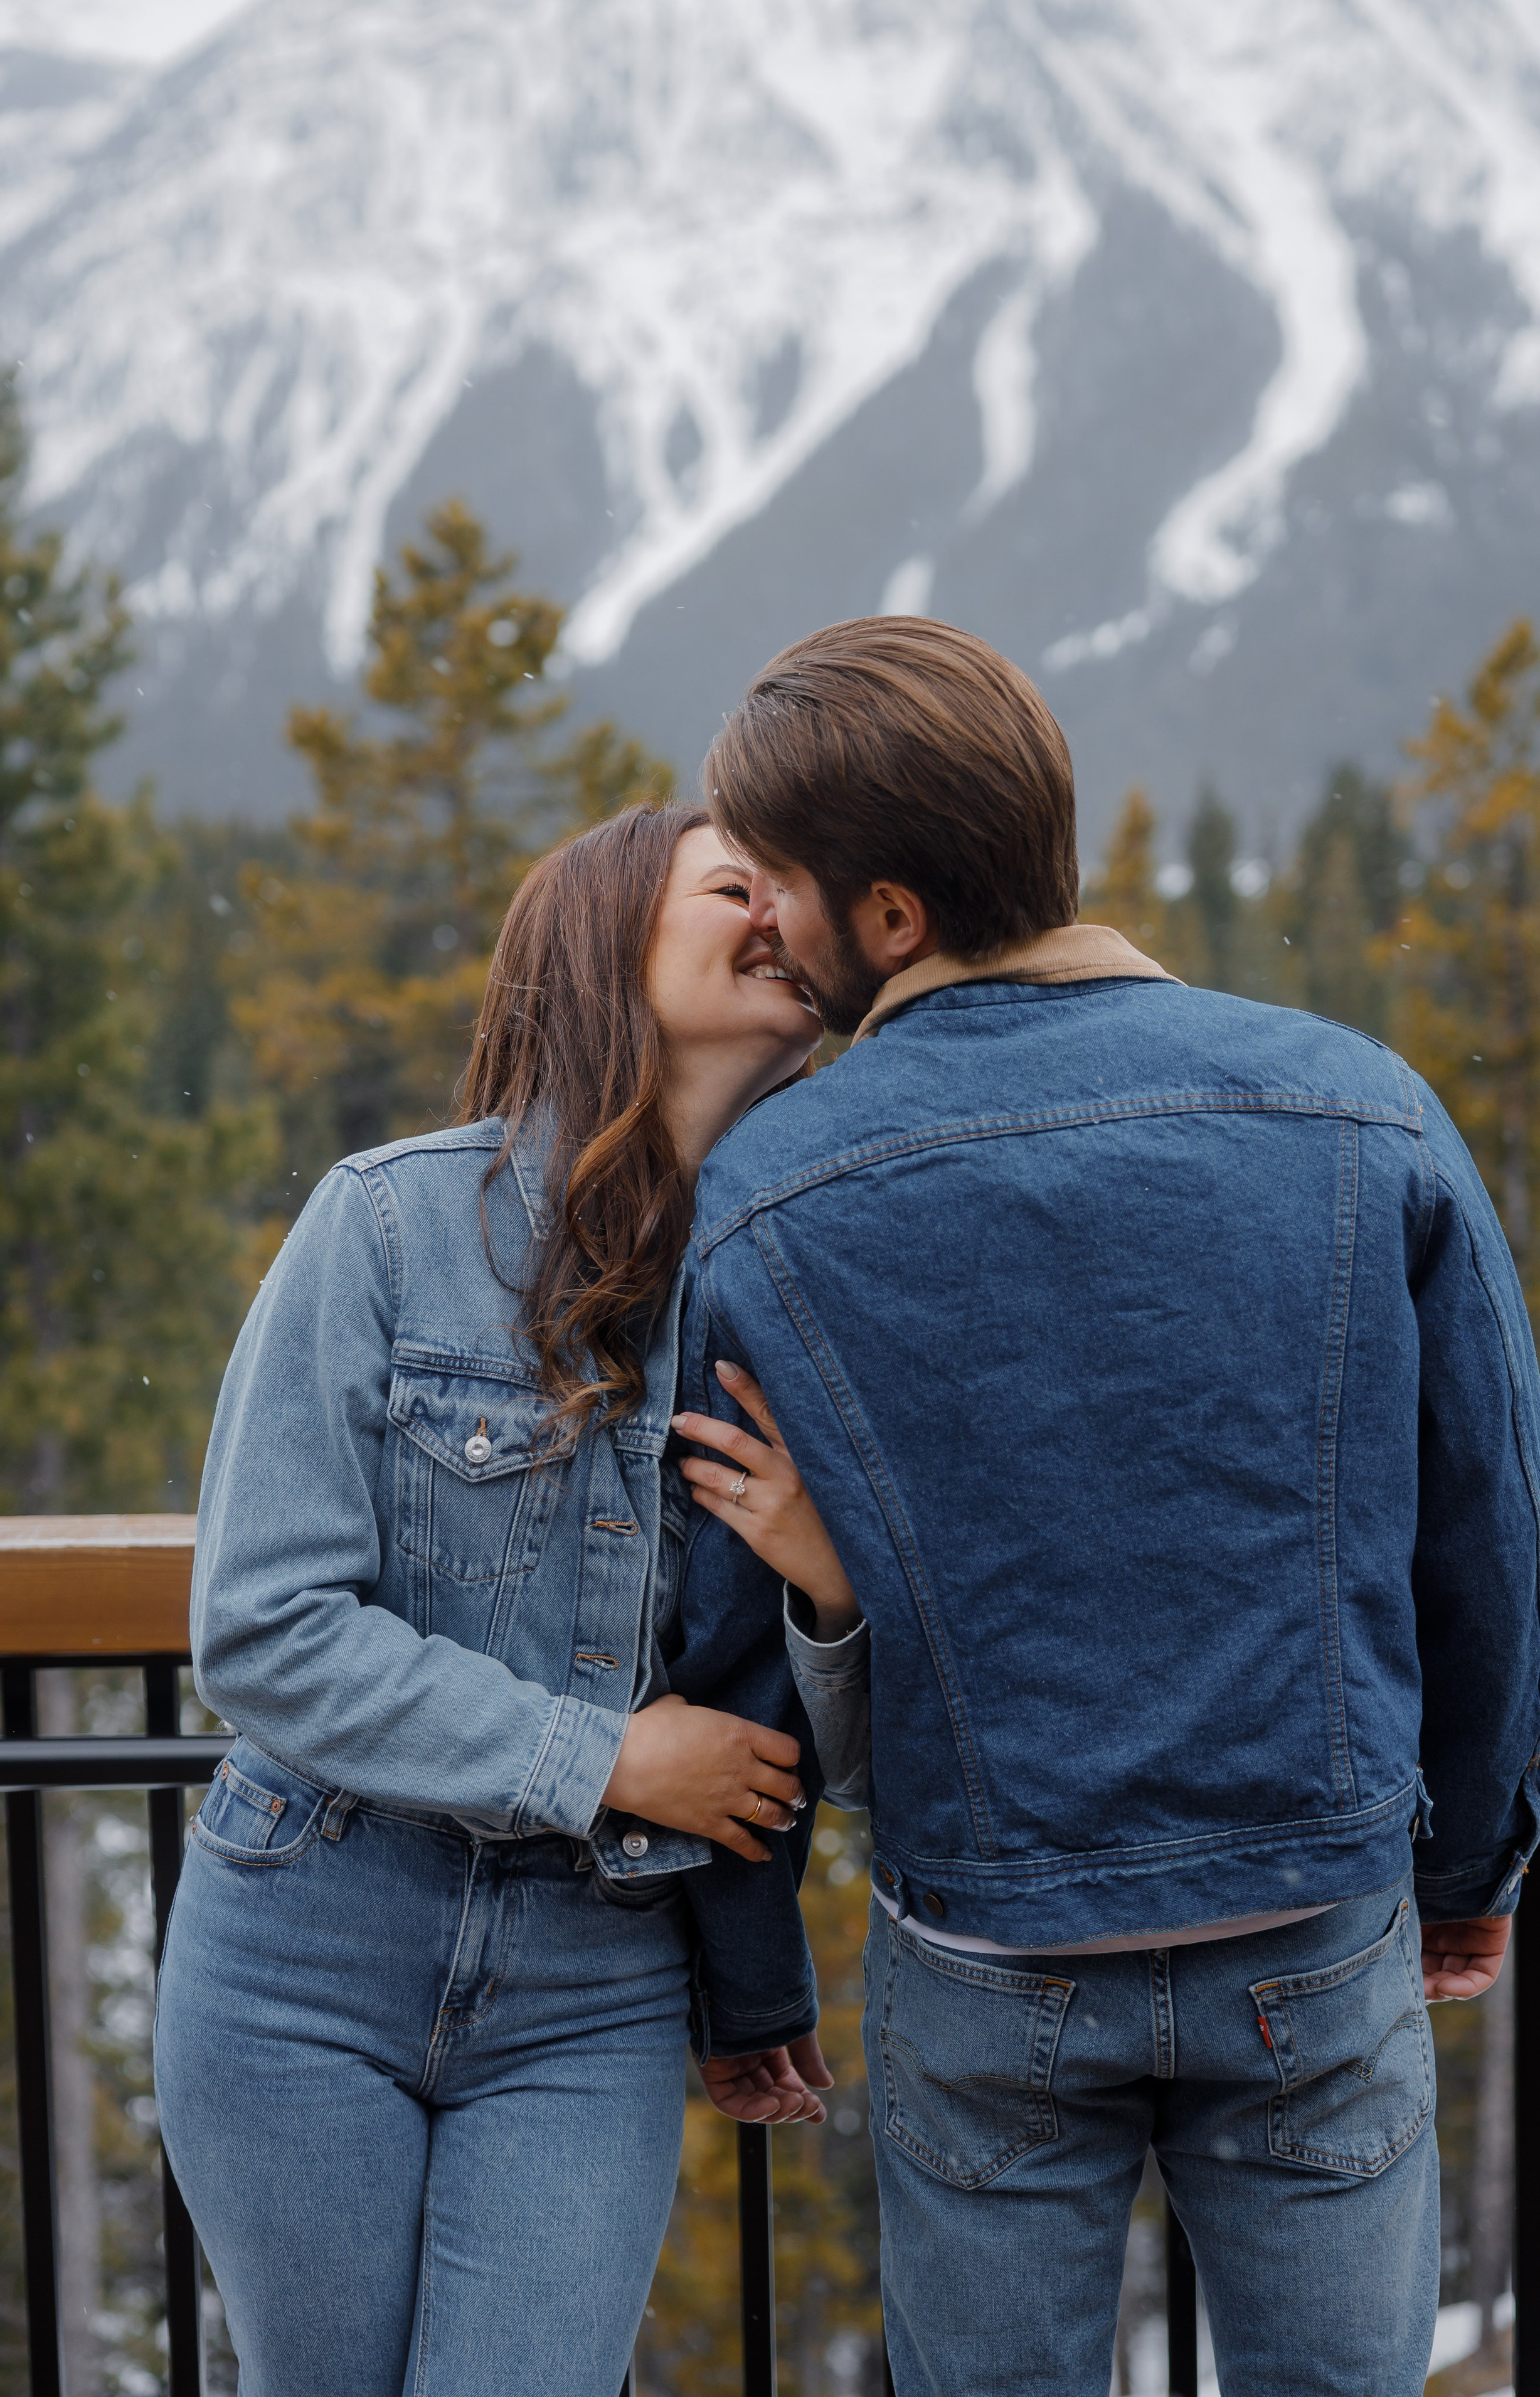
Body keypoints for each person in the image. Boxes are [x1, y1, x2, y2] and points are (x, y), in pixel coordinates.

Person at [666, 617, 1540, 2397]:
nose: (760, 921)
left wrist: (748, 1972)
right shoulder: (1358, 1107)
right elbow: (1487, 1532)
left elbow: (721, 1626)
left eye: (778, 886)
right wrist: (1472, 1858)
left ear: (895, 917)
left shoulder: (772, 1191)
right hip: (1309, 1929)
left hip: (994, 1963)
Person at [154, 803, 837, 2397]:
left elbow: (806, 1712)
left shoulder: (796, 1279)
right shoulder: (387, 1225)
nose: (777, 920)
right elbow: (263, 1624)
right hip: (304, 1943)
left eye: (790, 898)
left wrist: (829, 1587)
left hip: (593, 1979)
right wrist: (594, 1757)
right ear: (608, 938)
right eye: (736, 887)